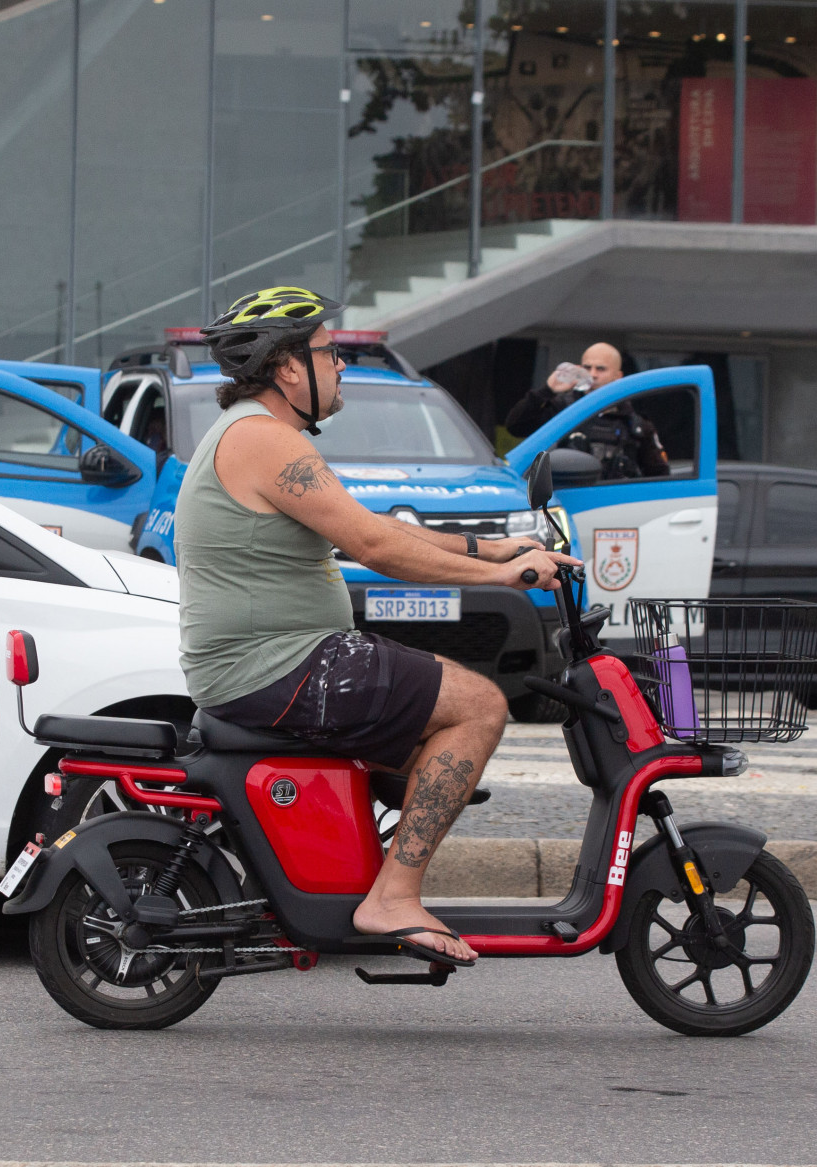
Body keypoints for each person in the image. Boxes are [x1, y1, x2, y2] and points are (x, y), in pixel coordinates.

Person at [175, 286, 581, 965]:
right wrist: (502, 578)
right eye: (329, 353)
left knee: (430, 717)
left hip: (280, 661)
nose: (340, 368)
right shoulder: (265, 441)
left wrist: (496, 547)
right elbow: (377, 550)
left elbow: (375, 528)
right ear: (286, 369)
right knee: (479, 705)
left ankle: (359, 878)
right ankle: (392, 895)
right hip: (279, 666)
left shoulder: (258, 436)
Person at [503, 341, 670, 480]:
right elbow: (516, 426)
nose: (593, 374)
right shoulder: (563, 409)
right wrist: (547, 390)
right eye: (587, 368)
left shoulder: (635, 424)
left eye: (601, 369)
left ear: (618, 376)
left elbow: (660, 475)